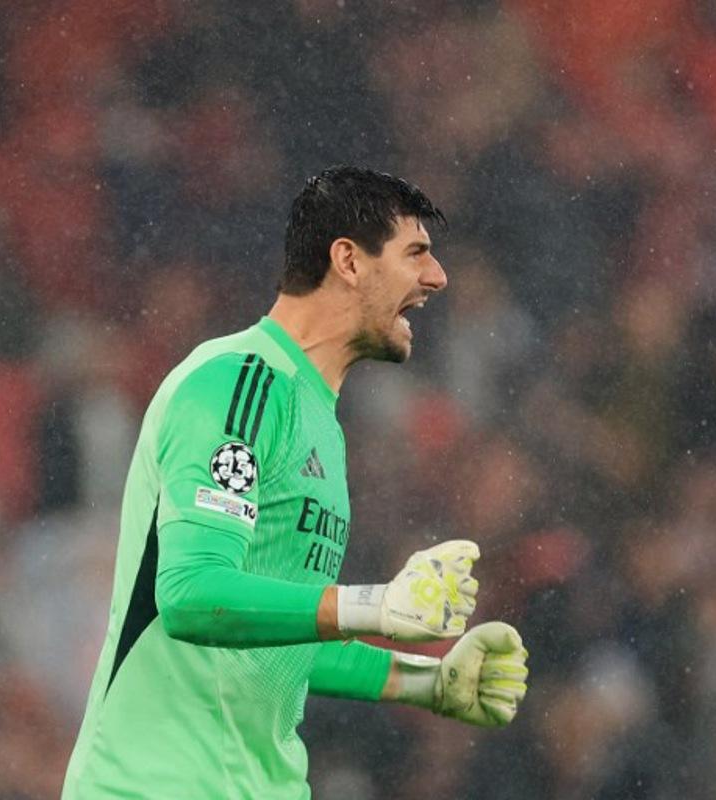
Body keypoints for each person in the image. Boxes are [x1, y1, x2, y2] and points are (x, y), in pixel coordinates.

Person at [62, 166, 530, 798]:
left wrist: (430, 682)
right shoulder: (239, 383)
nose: (436, 277)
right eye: (415, 253)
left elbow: (278, 640)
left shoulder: (320, 423)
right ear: (348, 261)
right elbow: (191, 593)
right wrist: (376, 605)